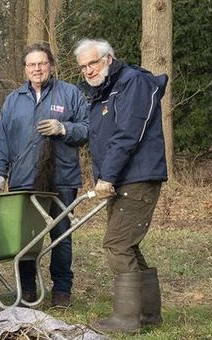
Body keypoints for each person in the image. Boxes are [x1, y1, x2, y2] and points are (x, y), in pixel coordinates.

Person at [73, 38, 167, 334]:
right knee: (128, 244)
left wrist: (108, 177)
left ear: (108, 59)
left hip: (137, 177)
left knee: (117, 244)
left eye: (93, 63)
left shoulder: (132, 83)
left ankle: (126, 319)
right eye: (83, 66)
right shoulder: (103, 91)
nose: (88, 70)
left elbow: (128, 134)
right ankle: (148, 314)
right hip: (122, 178)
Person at [0, 42, 89, 308]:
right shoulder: (13, 100)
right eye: (31, 64)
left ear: (51, 65)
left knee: (62, 236)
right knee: (25, 238)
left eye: (42, 63)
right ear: (25, 69)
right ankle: (28, 289)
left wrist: (64, 128)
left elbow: (88, 129)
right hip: (23, 180)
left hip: (62, 179)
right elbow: (2, 140)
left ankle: (62, 291)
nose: (37, 69)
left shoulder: (70, 94)